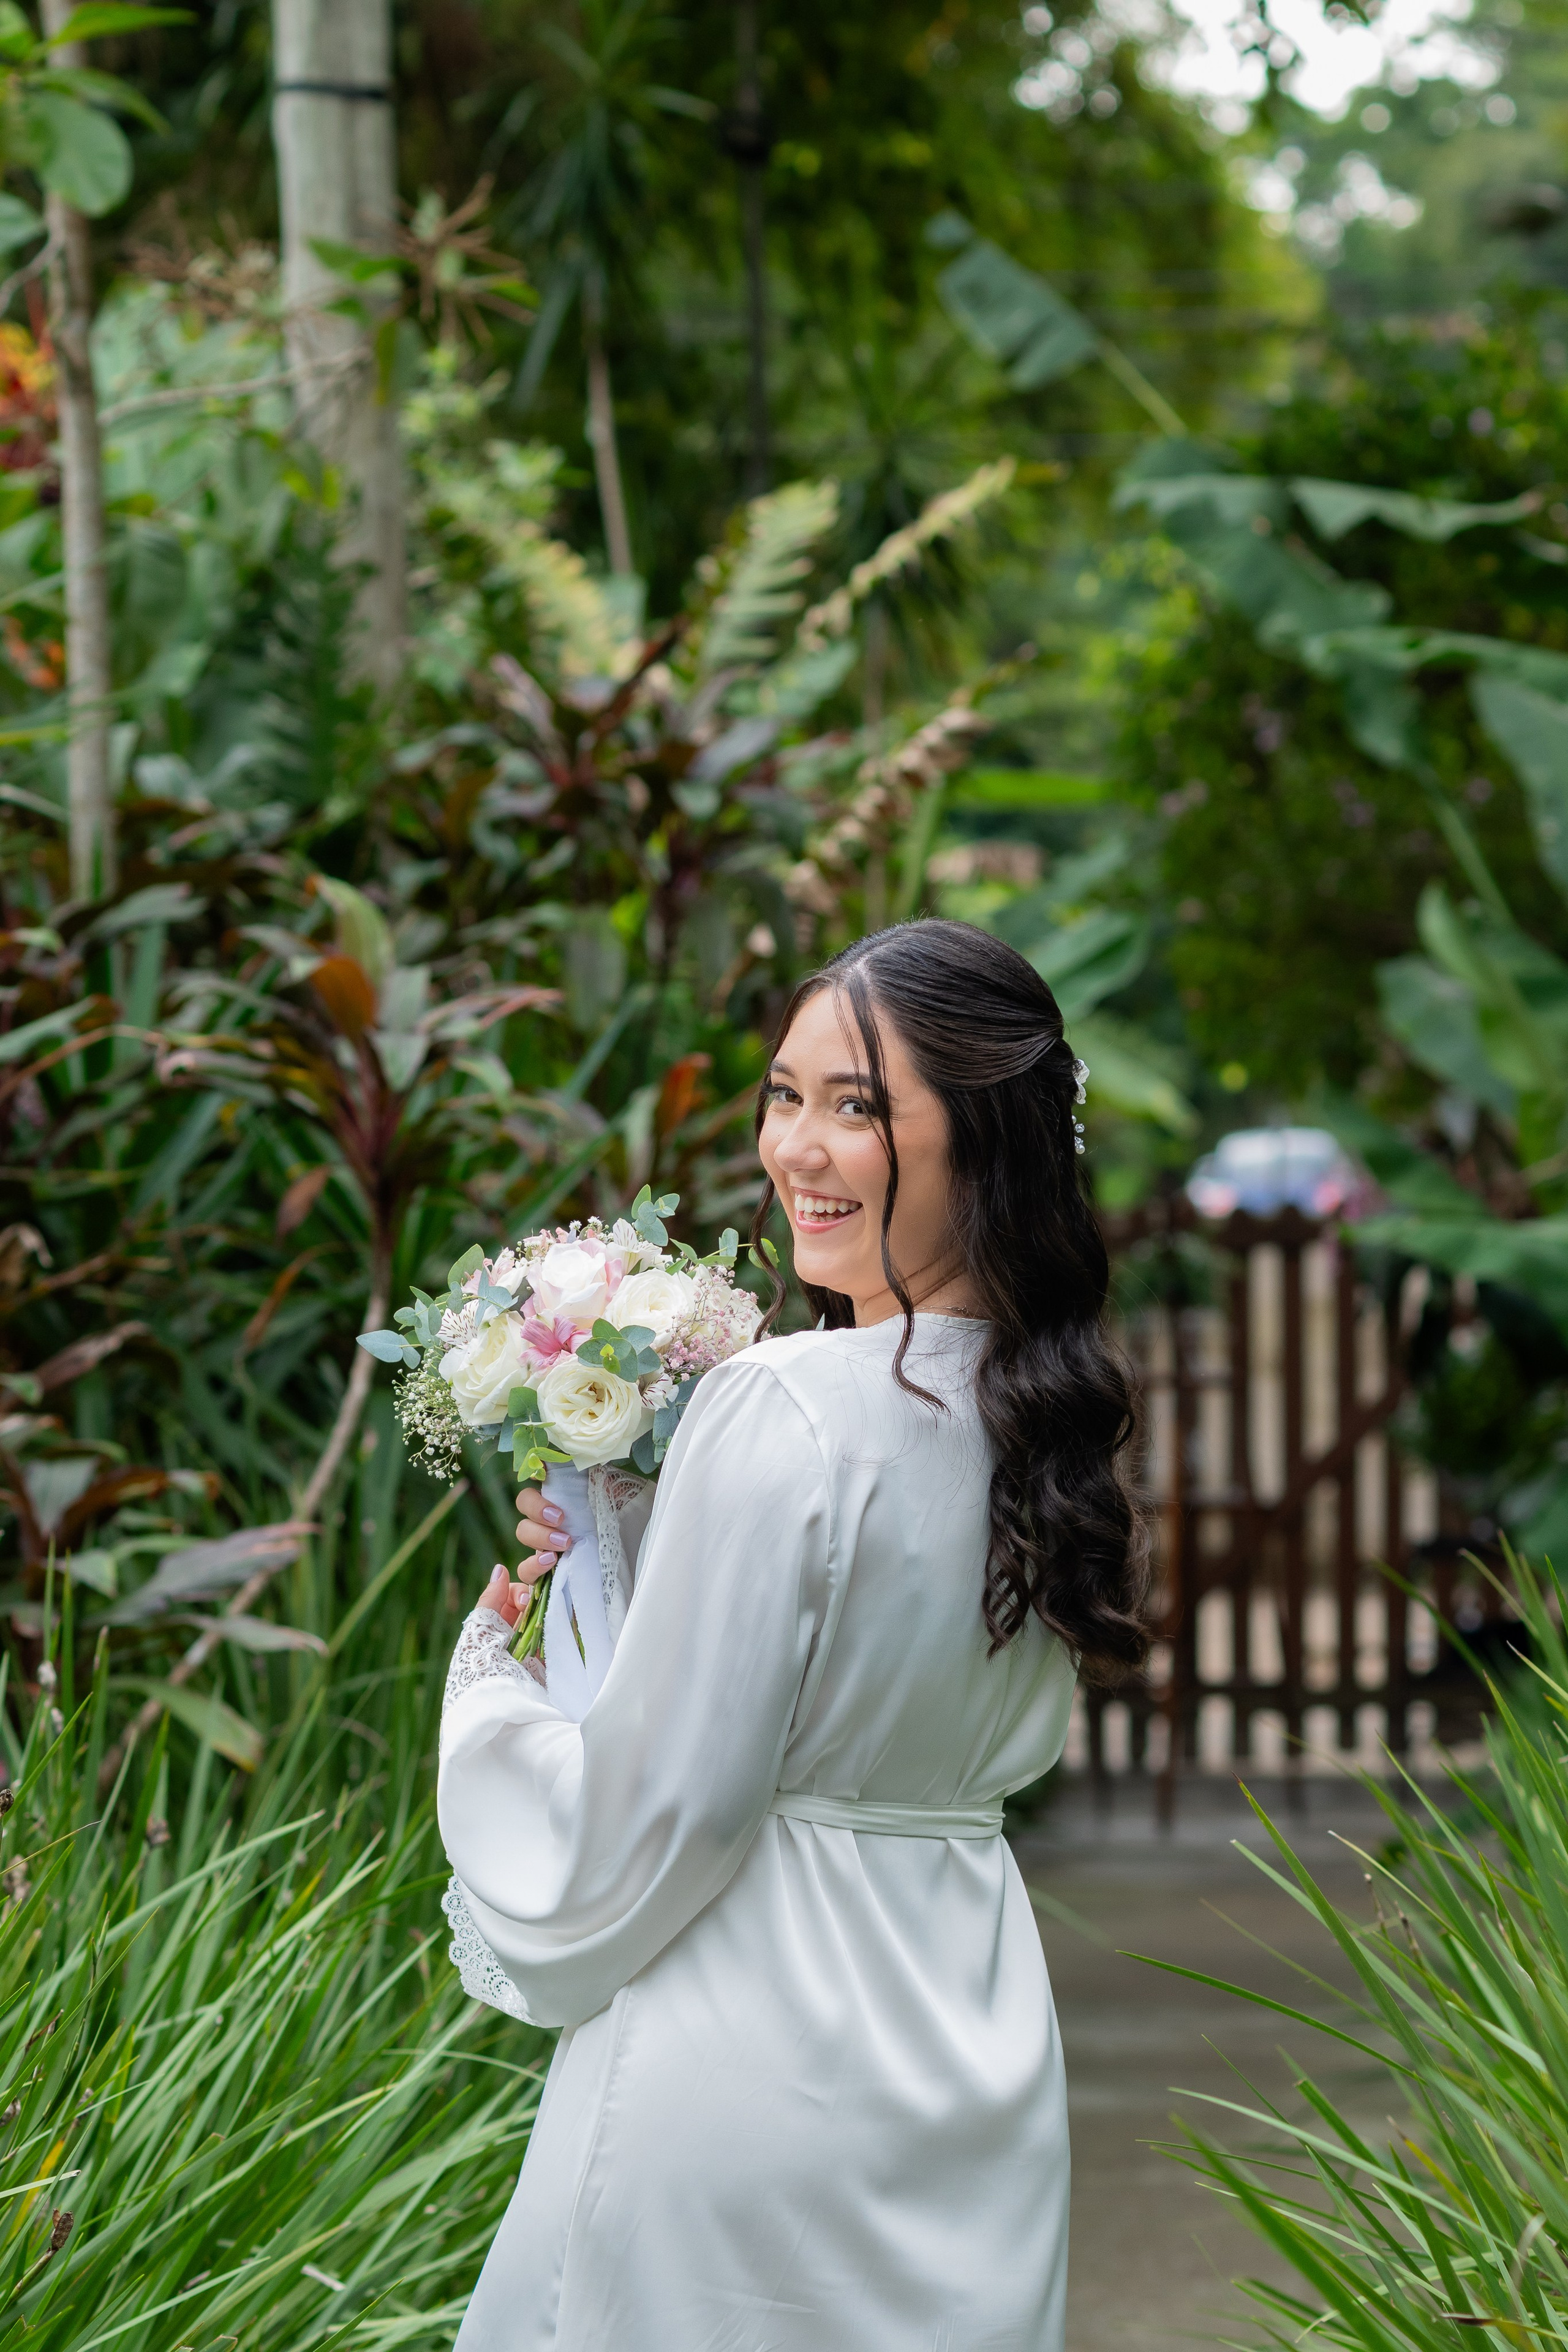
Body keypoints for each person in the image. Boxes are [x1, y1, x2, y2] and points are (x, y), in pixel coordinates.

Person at [437, 917, 1149, 2351]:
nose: (795, 1150)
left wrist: (497, 1688)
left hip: (747, 2047)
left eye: (859, 1107)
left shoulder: (784, 1405)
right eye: (784, 1096)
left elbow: (662, 1808)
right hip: (968, 2044)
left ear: (985, 1138)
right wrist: (632, 1558)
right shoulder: (1040, 1420)